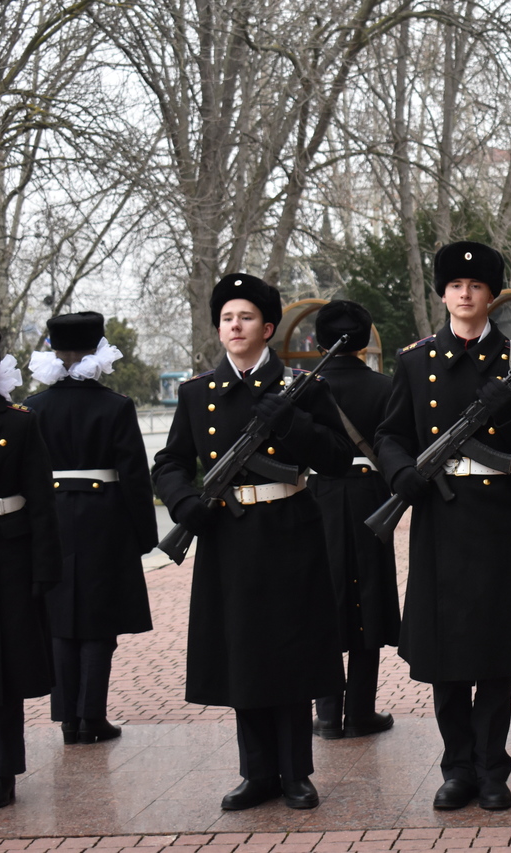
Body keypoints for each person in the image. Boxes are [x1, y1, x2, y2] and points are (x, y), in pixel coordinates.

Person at [152, 274, 352, 811]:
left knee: (291, 652)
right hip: (228, 534)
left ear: (267, 329)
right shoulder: (198, 393)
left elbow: (337, 457)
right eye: (226, 319)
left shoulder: (302, 387)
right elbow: (170, 461)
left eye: (244, 318)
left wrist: (293, 427)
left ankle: (296, 773)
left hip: (289, 529)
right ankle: (257, 772)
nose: (234, 327)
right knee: (244, 654)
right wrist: (182, 500)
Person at [375, 240, 511, 811]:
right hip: (440, 517)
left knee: (495, 651)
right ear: (444, 293)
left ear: (490, 296)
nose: (465, 294)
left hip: (500, 517)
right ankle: (457, 768)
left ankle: (493, 769)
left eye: (476, 287)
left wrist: (510, 407)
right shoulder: (414, 361)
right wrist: (401, 470)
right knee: (446, 652)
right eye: (455, 285)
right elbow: (389, 435)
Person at [24, 311, 158, 747]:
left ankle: (67, 718)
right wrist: (144, 537)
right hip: (106, 521)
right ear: (98, 348)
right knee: (99, 626)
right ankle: (91, 717)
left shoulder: (33, 408)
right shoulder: (115, 405)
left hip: (52, 519)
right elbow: (136, 477)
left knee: (60, 623)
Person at [307, 300, 399, 740]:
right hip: (369, 496)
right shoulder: (385, 386)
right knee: (369, 598)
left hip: (318, 495)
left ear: (320, 340)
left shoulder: (304, 388)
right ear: (364, 340)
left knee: (323, 600)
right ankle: (360, 711)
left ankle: (327, 713)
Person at [0, 329, 60, 810]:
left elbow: (41, 503)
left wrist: (44, 569)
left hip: (6, 558)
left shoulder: (18, 423)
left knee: (4, 673)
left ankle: (0, 771)